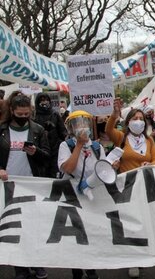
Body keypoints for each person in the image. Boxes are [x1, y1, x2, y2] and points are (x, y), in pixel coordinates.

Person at [58, 110, 116, 279]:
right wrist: (78, 146)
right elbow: (68, 168)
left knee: (90, 232)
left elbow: (103, 171)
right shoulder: (66, 145)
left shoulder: (97, 147)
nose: (82, 127)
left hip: (92, 195)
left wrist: (111, 166)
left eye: (84, 123)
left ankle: (91, 269)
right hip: (72, 195)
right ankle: (76, 270)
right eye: (77, 124)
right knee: (75, 234)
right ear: (71, 127)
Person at [106, 99, 155, 278]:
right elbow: (108, 130)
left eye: (141, 118)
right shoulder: (121, 137)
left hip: (145, 186)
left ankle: (141, 256)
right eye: (135, 118)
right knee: (130, 224)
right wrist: (115, 114)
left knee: (144, 223)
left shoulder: (149, 140)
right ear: (128, 122)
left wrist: (149, 164)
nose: (139, 121)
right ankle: (132, 259)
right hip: (126, 187)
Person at [0, 93, 50, 279]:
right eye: (19, 114)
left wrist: (36, 152)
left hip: (32, 185)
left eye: (26, 114)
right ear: (12, 111)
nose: (23, 118)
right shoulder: (2, 131)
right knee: (14, 228)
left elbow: (47, 157)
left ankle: (37, 263)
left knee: (34, 227)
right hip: (8, 187)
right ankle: (20, 267)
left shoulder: (38, 130)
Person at [34, 92, 67, 178]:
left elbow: (63, 131)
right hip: (40, 150)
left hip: (55, 149)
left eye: (46, 100)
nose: (44, 102)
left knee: (54, 174)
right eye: (41, 100)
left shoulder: (55, 114)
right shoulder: (34, 116)